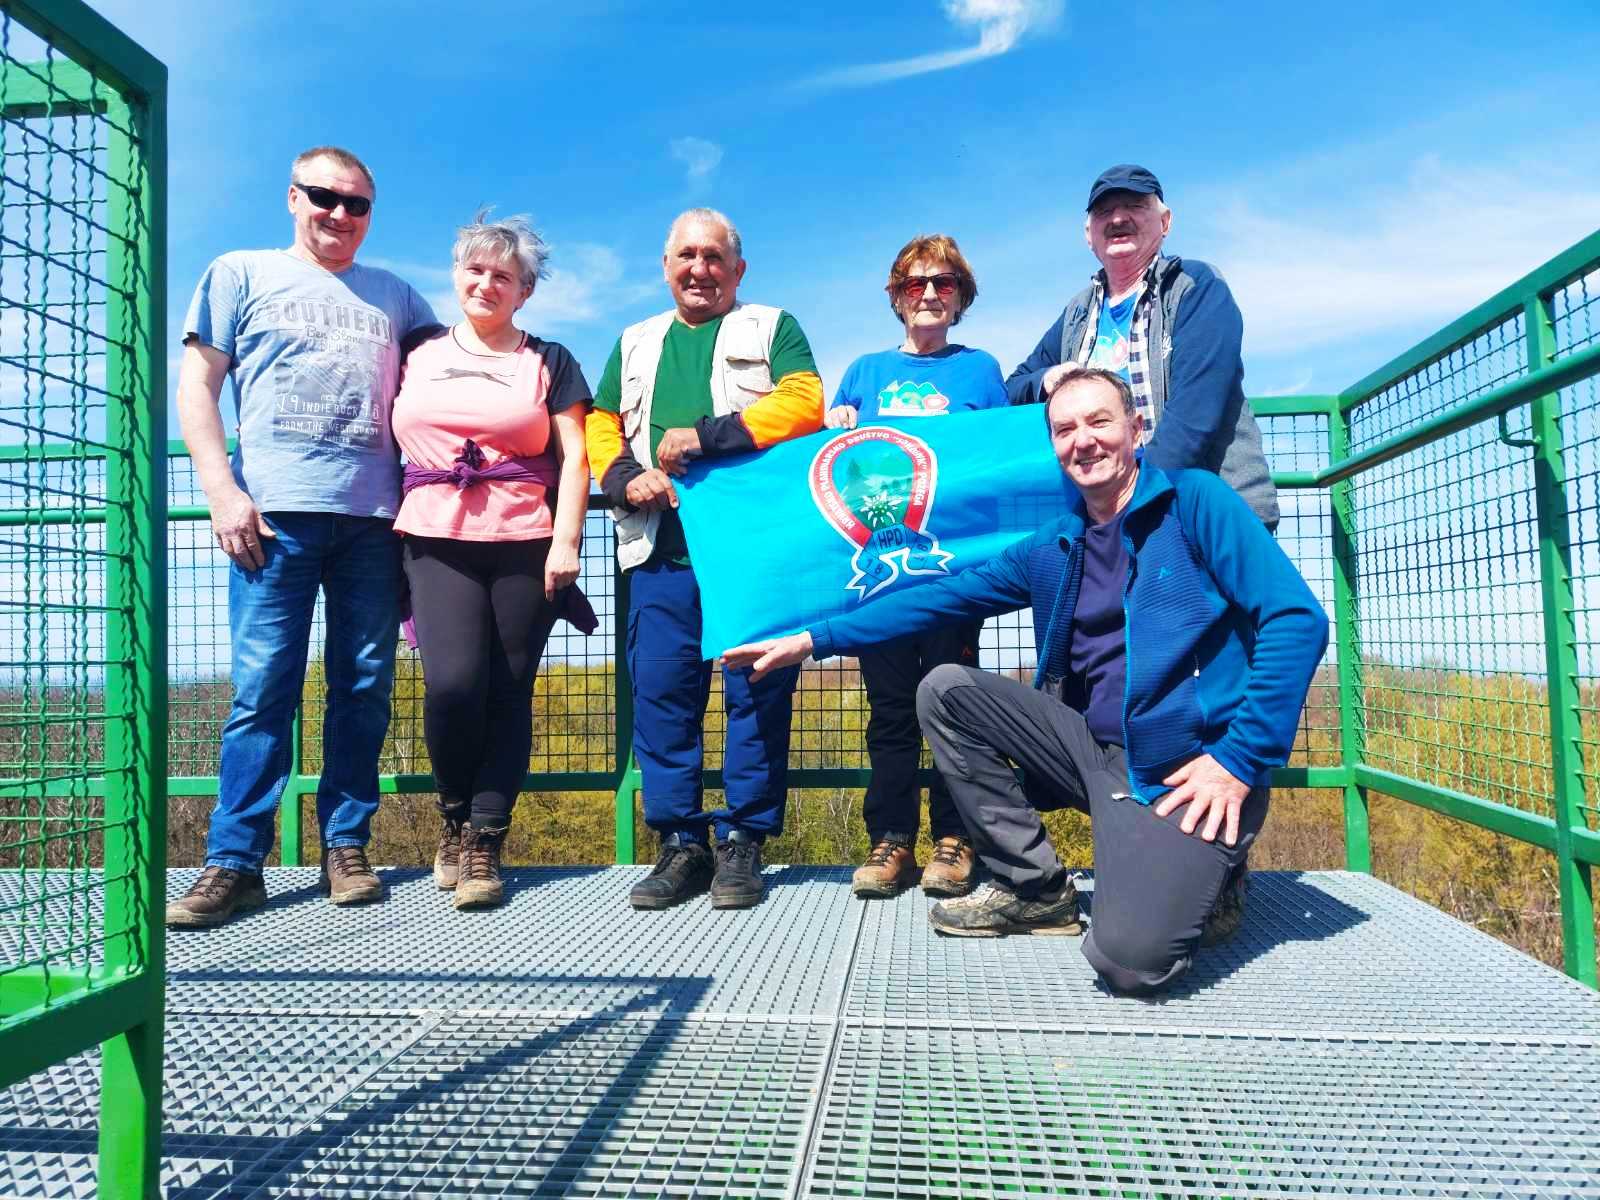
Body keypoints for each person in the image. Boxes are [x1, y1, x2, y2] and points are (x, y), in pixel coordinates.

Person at [724, 368, 1327, 994]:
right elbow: (939, 597)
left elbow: (1296, 620)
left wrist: (1237, 761)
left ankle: (1216, 870)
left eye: (1099, 422)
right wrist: (813, 639)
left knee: (1130, 961)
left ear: (1136, 429)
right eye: (1065, 429)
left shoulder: (1195, 502)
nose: (1083, 440)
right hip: (1092, 754)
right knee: (946, 689)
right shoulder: (1056, 544)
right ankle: (1035, 888)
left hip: (1185, 772)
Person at [167, 146, 437, 928]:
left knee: (363, 687)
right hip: (270, 519)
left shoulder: (397, 296)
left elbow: (450, 378)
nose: (339, 214)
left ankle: (345, 846)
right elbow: (197, 387)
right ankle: (234, 862)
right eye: (325, 196)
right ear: (293, 197)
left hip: (372, 522)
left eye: (357, 204)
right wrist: (222, 491)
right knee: (262, 691)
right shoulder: (239, 273)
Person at [586, 208, 823, 910]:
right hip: (659, 550)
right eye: (686, 256)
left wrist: (708, 435)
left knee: (756, 693)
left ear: (738, 269)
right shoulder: (633, 342)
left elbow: (805, 402)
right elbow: (600, 422)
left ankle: (744, 840)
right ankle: (680, 842)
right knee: (661, 693)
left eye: (715, 257)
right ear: (666, 267)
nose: (700, 269)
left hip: (753, 554)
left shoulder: (773, 327)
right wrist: (623, 477)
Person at [391, 213, 592, 910]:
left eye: (503, 275)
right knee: (452, 685)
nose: (487, 283)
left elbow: (576, 457)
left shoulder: (550, 360)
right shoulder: (416, 351)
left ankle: (485, 838)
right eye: (475, 270)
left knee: (508, 690)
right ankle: (452, 814)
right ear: (456, 276)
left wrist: (566, 541)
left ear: (524, 291)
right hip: (431, 535)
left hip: (525, 541)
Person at [824, 234, 1007, 900]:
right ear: (896, 297)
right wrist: (832, 425)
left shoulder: (981, 371)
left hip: (953, 571)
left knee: (956, 701)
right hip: (881, 576)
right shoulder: (864, 372)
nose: (928, 294)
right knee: (892, 709)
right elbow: (833, 466)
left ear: (961, 298)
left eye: (943, 283)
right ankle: (892, 838)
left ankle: (956, 837)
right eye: (914, 284)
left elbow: (1002, 459)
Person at [1005, 164, 1279, 528]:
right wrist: (1048, 378)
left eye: (1135, 206)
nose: (1118, 218)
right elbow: (1013, 387)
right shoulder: (1077, 313)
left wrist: (1133, 504)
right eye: (1104, 211)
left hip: (1206, 516)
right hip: (1111, 521)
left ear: (1165, 222)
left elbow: (1194, 414)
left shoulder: (1195, 286)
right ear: (1089, 235)